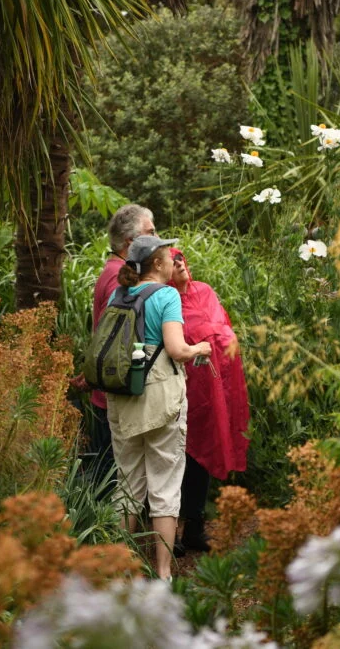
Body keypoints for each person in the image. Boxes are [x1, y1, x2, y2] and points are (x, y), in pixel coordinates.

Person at [108, 236, 211, 580]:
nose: (172, 262)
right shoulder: (166, 295)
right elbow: (177, 349)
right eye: (168, 257)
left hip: (122, 398)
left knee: (127, 485)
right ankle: (164, 574)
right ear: (156, 264)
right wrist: (202, 348)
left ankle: (119, 570)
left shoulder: (118, 294)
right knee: (165, 487)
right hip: (159, 399)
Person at [168, 248, 250, 553]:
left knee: (204, 456)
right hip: (186, 389)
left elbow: (221, 327)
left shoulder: (204, 290)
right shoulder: (166, 298)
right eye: (172, 260)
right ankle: (172, 531)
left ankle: (195, 527)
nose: (179, 263)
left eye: (181, 258)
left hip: (216, 388)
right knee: (180, 456)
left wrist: (215, 338)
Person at [86, 204, 156, 485]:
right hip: (115, 398)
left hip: (105, 394)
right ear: (132, 242)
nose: (157, 238)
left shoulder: (112, 271)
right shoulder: (121, 280)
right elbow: (116, 343)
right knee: (117, 483)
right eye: (150, 232)